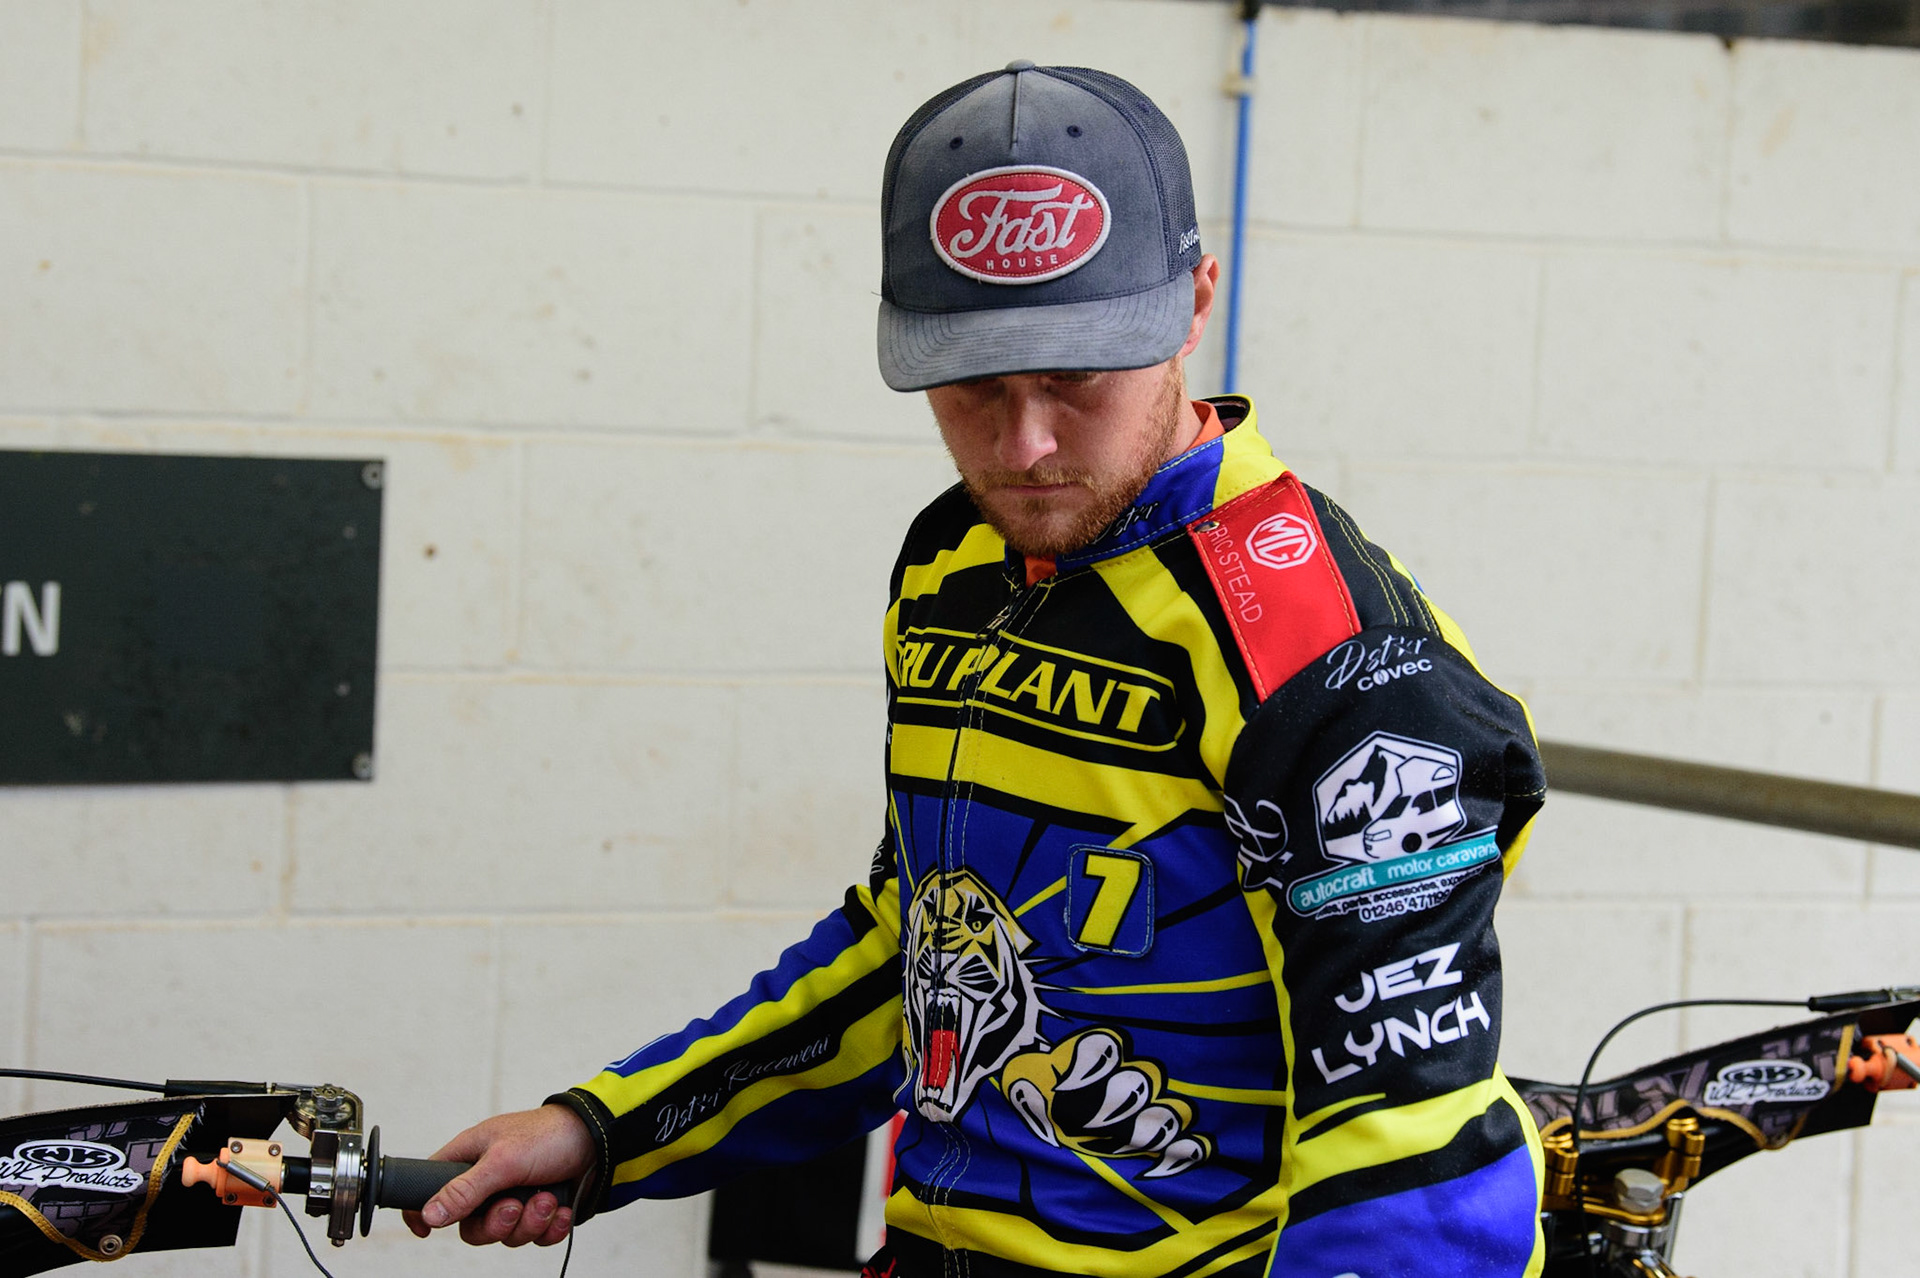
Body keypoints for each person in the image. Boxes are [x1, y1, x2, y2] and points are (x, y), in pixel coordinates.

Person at [407, 63, 1549, 1277]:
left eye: (1076, 373)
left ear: (1194, 301)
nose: (1026, 445)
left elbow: (1413, 1183)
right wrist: (603, 1131)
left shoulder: (1335, 661)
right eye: (974, 384)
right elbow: (918, 954)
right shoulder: (955, 557)